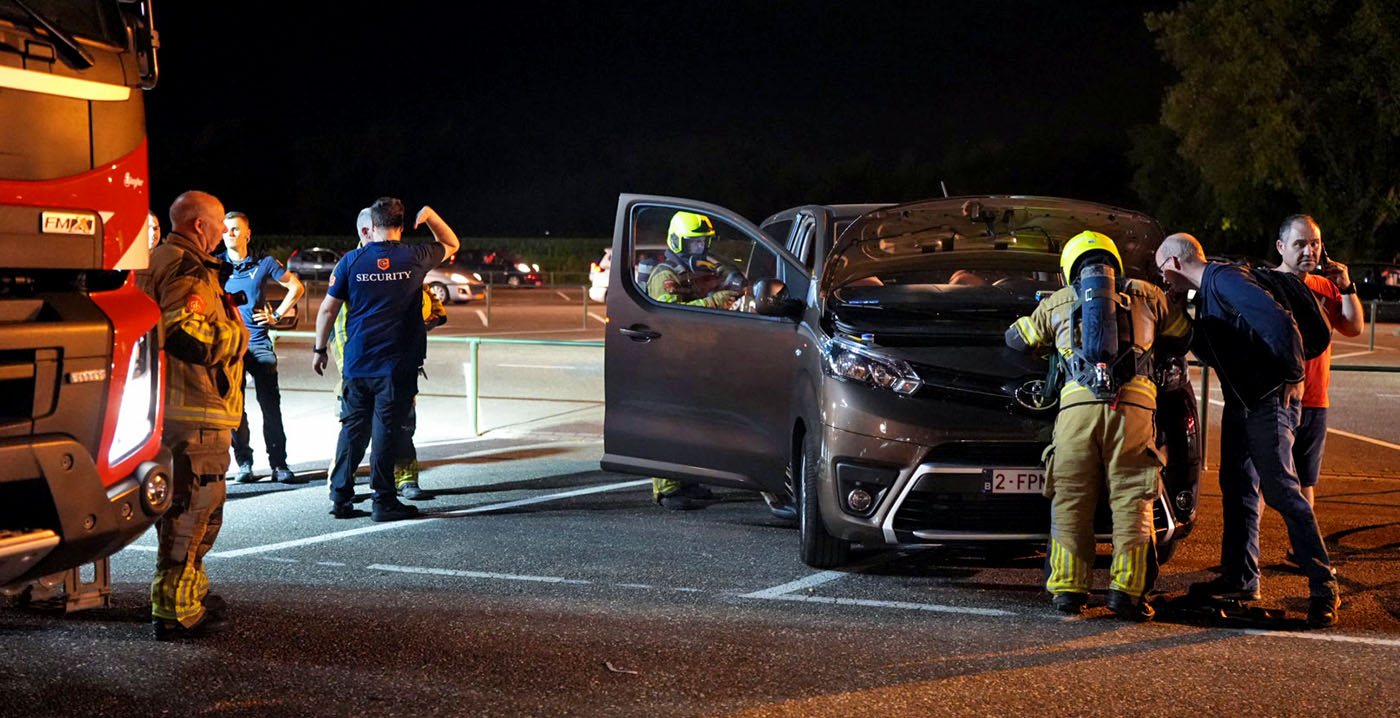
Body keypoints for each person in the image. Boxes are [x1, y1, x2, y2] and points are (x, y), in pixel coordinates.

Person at [1156, 233, 1341, 628]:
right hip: (1244, 402)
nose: (1163, 279)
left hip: (1267, 401)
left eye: (1161, 271)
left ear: (1172, 262)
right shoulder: (1208, 294)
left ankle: (1323, 587)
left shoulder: (1225, 279)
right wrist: (1182, 316)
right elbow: (1213, 351)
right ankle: (1241, 578)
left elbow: (1278, 320)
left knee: (1280, 489)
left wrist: (1294, 374)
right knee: (1237, 484)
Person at [1006, 230, 1190, 621]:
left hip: (1076, 416)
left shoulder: (1059, 301)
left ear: (1069, 269)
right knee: (1132, 506)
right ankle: (1128, 595)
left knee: (1071, 504)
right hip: (1135, 414)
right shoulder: (1149, 295)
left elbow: (1017, 339)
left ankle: (1069, 593)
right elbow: (1181, 334)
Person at [134, 191, 248, 639]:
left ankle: (189, 595)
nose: (223, 233)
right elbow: (188, 333)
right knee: (194, 512)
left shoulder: (155, 260)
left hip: (167, 406)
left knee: (185, 508)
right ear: (200, 226)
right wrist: (238, 334)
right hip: (195, 409)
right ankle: (176, 612)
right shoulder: (187, 266)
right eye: (219, 225)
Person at [313, 197, 459, 522]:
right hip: (396, 366)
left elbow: (327, 309)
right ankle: (383, 500)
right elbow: (451, 242)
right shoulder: (414, 257)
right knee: (385, 432)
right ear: (401, 226)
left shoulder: (351, 261)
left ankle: (340, 497)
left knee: (352, 429)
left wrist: (319, 349)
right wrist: (432, 215)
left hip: (356, 363)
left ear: (372, 227)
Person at [644, 210, 744, 510]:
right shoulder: (665, 276)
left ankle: (686, 479)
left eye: (703, 244)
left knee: (690, 422)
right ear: (678, 243)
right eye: (694, 245)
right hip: (668, 360)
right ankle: (667, 490)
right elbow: (670, 317)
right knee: (670, 423)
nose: (700, 251)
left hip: (689, 359)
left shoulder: (690, 274)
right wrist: (716, 301)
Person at [1273, 215, 1364, 510]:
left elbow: (1354, 327)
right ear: (1281, 246)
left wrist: (1347, 287)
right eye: (1299, 244)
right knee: (1264, 478)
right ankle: (1248, 552)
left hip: (1314, 400)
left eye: (1315, 243)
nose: (1309, 251)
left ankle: (1304, 550)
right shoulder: (1266, 286)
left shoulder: (1326, 287)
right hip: (1275, 398)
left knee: (1305, 480)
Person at [222, 211, 305, 483]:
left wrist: (277, 315)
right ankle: (244, 463)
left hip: (258, 343)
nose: (229, 233)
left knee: (270, 406)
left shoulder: (264, 263)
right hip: (229, 348)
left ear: (248, 234)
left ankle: (279, 464)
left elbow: (296, 288)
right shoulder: (215, 265)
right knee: (235, 410)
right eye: (225, 229)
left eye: (235, 229)